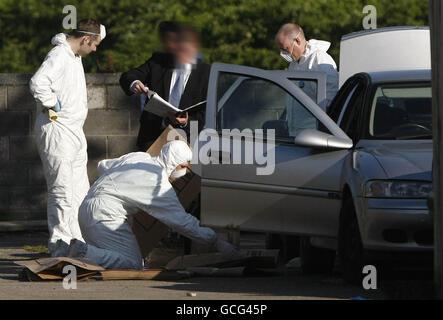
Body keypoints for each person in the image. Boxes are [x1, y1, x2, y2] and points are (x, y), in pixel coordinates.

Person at [67, 141, 240, 270]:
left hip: (87, 207)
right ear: (174, 162)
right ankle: (82, 252)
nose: (184, 170)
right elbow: (182, 222)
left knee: (110, 258)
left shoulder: (139, 157)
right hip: (106, 215)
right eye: (183, 166)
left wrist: (122, 187)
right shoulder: (158, 184)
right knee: (133, 264)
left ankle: (74, 251)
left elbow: (103, 166)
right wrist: (215, 240)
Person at [29, 19, 106, 257]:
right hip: (57, 130)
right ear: (85, 39)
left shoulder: (74, 57)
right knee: (62, 191)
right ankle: (60, 247)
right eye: (94, 45)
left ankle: (78, 243)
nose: (95, 50)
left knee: (80, 191)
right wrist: (52, 104)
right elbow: (37, 83)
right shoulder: (59, 55)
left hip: (73, 131)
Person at [120, 25, 210, 151]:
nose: (181, 53)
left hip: (184, 143)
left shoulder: (207, 73)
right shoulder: (158, 62)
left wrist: (183, 122)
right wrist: (134, 83)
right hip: (152, 139)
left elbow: (206, 113)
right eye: (179, 47)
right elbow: (128, 76)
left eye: (186, 49)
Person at [275, 23, 339, 107]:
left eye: (286, 49)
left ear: (297, 41)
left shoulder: (319, 59)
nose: (284, 53)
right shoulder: (294, 64)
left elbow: (331, 99)